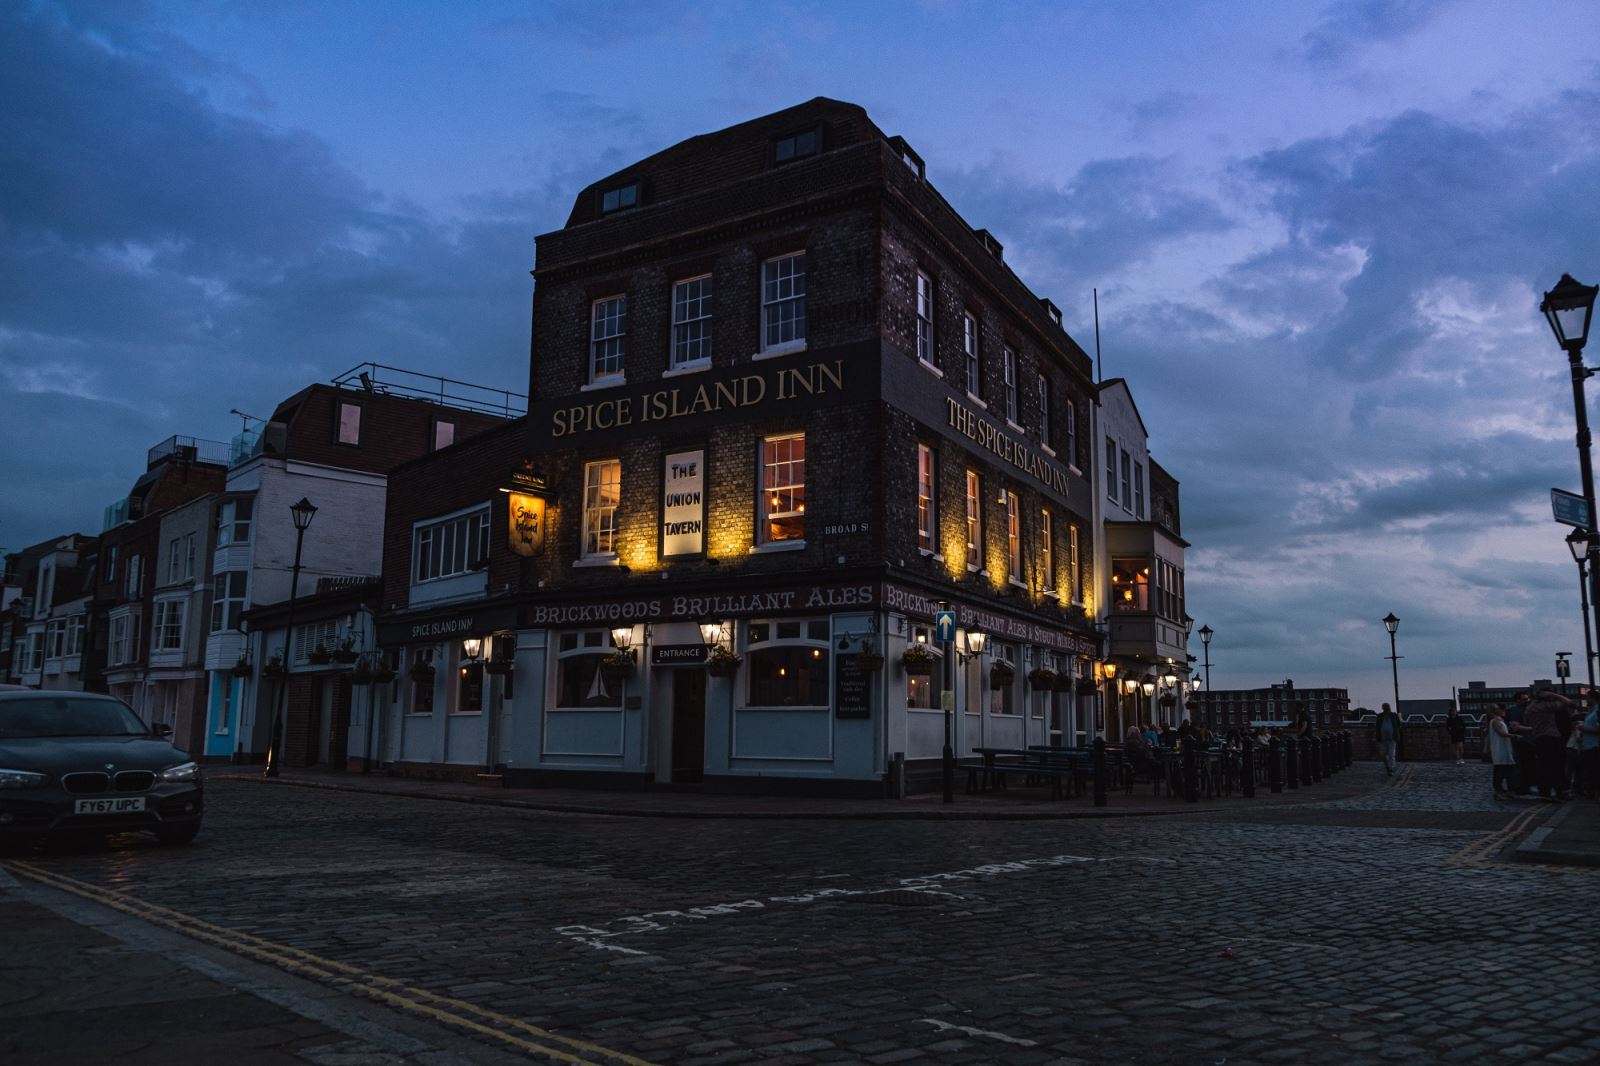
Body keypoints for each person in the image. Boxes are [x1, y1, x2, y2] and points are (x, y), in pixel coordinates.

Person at [1520, 688, 1575, 802]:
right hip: (1551, 737)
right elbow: (1570, 703)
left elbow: (1526, 723)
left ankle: (1545, 793)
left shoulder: (1530, 708)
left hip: (1538, 738)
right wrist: (1555, 694)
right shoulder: (1547, 706)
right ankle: (1560, 792)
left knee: (1543, 766)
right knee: (1556, 766)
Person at [1485, 704, 1517, 797]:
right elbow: (1501, 733)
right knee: (1500, 770)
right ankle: (1498, 791)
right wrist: (1514, 735)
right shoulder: (1495, 721)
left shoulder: (1499, 720)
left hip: (1504, 747)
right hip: (1499, 748)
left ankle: (1504, 790)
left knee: (1505, 769)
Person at [1578, 695, 1600, 800]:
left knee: (1595, 771)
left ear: (1594, 698)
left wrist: (1584, 728)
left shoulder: (1597, 711)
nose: (1586, 700)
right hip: (1587, 746)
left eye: (1588, 697)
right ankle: (1591, 792)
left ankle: (1595, 792)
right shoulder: (1590, 712)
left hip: (1595, 746)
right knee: (1590, 771)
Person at [1374, 703, 1401, 775]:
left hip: (1392, 738)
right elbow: (1377, 727)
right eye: (1385, 707)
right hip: (1383, 738)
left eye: (1387, 707)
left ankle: (1391, 768)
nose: (1386, 709)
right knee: (1382, 754)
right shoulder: (1379, 716)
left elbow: (1399, 725)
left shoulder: (1394, 715)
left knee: (1391, 754)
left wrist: (1396, 735)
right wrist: (1377, 737)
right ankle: (1387, 766)